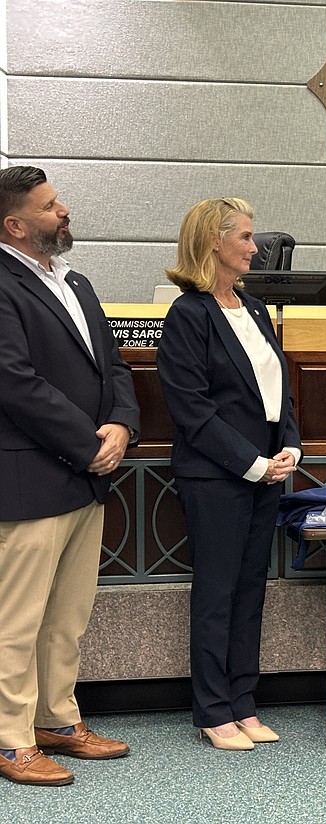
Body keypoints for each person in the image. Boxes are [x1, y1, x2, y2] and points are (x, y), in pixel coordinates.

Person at [0, 166, 139, 786]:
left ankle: (57, 720)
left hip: (86, 477)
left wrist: (121, 426)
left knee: (67, 615)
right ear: (16, 223)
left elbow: (112, 365)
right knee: (17, 620)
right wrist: (87, 443)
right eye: (51, 205)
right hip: (30, 478)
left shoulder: (74, 281)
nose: (65, 212)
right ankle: (10, 740)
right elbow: (15, 384)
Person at [157, 198, 302, 751]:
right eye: (244, 236)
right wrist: (253, 462)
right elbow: (193, 410)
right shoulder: (188, 315)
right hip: (217, 478)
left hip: (266, 472)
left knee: (250, 593)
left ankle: (243, 703)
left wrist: (289, 445)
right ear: (213, 243)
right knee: (217, 595)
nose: (254, 246)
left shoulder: (256, 309)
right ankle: (213, 711)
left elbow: (279, 390)